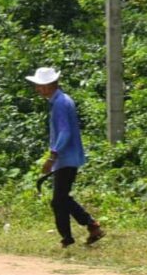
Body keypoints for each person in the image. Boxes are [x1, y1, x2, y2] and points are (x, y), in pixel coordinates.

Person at [26, 67, 105, 247]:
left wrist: (53, 156)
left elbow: (65, 132)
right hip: (67, 157)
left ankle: (84, 230)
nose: (37, 89)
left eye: (39, 85)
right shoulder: (61, 101)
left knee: (59, 200)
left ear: (48, 85)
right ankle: (82, 231)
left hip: (65, 158)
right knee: (61, 199)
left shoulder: (61, 103)